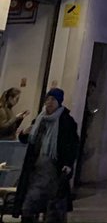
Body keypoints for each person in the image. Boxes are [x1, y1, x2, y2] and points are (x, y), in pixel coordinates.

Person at [13, 88, 78, 223]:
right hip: (36, 172)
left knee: (53, 209)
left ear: (59, 102)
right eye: (47, 99)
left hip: (54, 172)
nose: (49, 103)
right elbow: (26, 139)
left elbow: (72, 145)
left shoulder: (66, 121)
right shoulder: (39, 120)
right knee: (28, 206)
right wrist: (24, 133)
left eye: (53, 100)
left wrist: (68, 164)